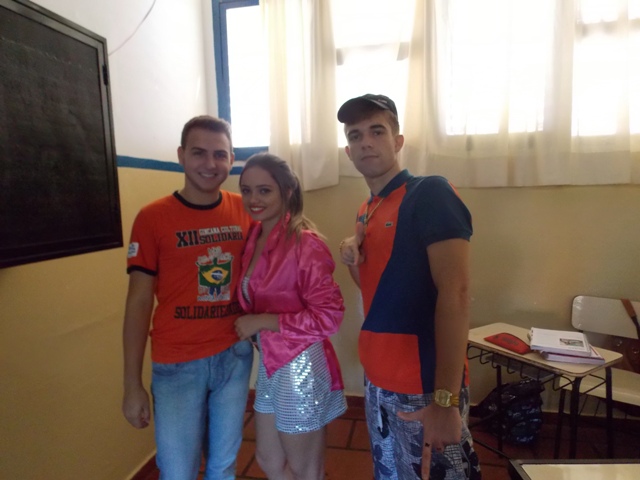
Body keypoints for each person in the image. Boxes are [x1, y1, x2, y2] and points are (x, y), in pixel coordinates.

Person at [337, 94, 481, 480]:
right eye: (355, 135)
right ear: (348, 152)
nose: (365, 142)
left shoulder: (429, 193)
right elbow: (375, 293)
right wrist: (354, 257)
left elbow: (456, 295)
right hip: (377, 377)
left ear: (397, 141)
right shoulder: (366, 210)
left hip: (424, 386)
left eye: (377, 131)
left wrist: (445, 401)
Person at [122, 115, 254, 480]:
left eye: (220, 154)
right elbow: (138, 303)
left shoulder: (247, 210)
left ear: (232, 160)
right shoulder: (152, 218)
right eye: (199, 153)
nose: (210, 164)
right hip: (177, 363)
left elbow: (287, 243)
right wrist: (131, 384)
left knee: (222, 468)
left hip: (234, 356)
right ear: (181, 155)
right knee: (178, 472)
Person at [234, 153, 347, 480]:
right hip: (272, 363)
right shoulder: (254, 237)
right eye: (246, 190)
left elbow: (329, 316)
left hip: (300, 366)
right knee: (268, 460)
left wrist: (263, 321)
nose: (253, 199)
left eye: (264, 190)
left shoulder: (304, 243)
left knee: (305, 469)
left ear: (287, 191)